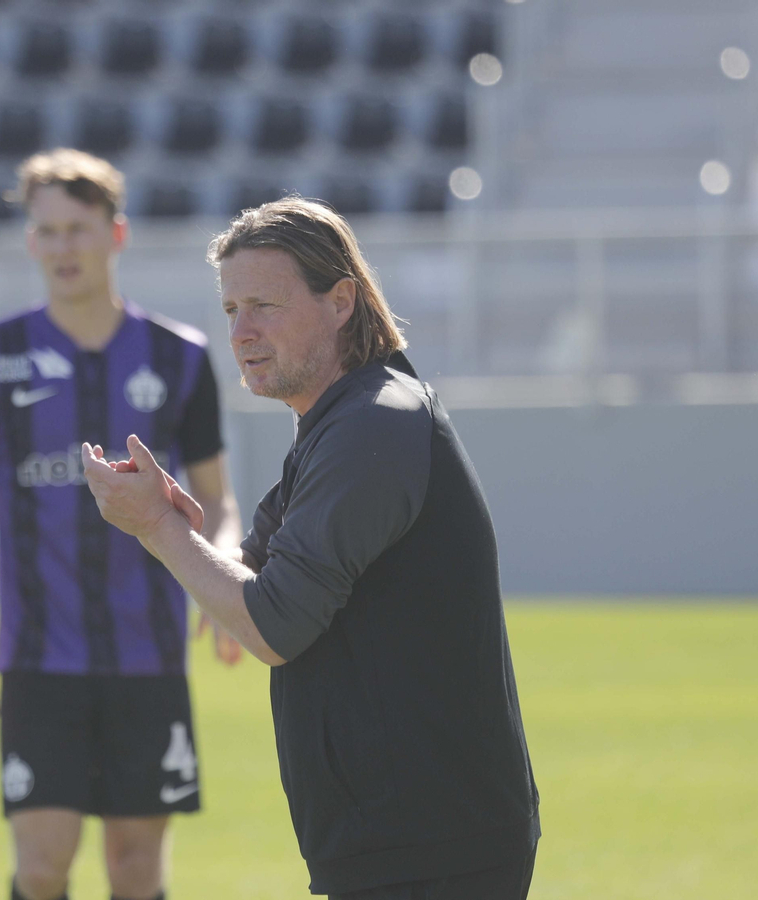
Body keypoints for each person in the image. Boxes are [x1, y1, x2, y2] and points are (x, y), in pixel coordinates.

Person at [80, 198, 540, 899]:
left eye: (264, 305)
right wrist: (176, 527)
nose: (242, 331)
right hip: (404, 834)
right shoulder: (342, 421)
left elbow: (272, 626)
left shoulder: (373, 423)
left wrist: (158, 529)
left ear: (341, 302)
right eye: (231, 309)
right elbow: (251, 587)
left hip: (431, 840)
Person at [0, 148, 243, 900]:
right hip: (39, 658)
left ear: (116, 233)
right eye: (47, 232)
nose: (63, 247)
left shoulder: (179, 356)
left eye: (78, 228)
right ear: (30, 242)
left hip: (149, 654)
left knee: (136, 870)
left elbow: (220, 500)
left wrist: (226, 577)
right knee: (43, 866)